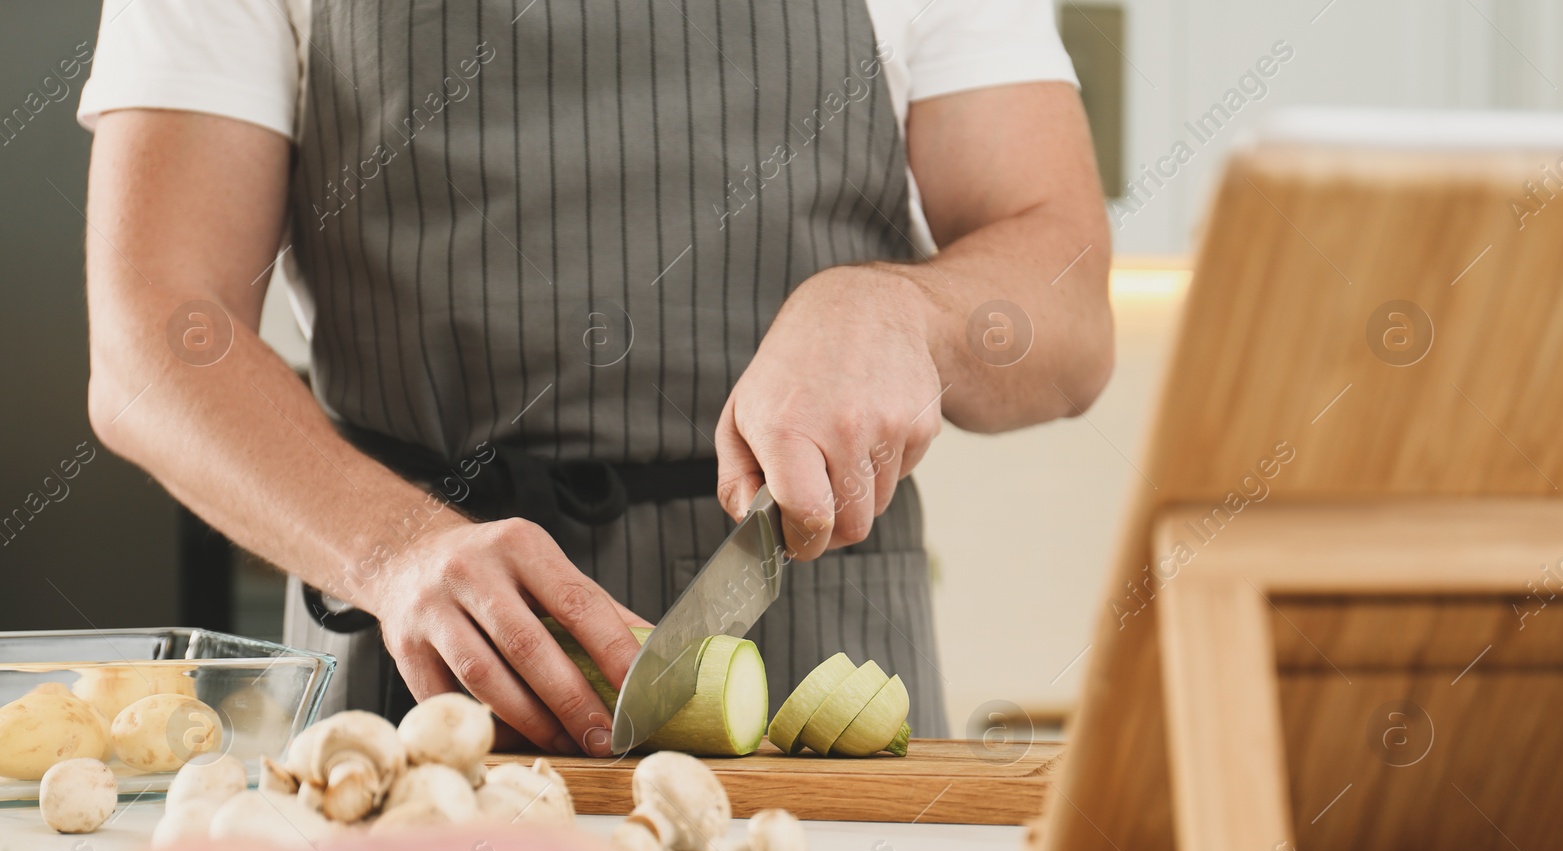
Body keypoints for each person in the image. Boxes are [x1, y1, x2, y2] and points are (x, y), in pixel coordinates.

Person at [79, 0, 1112, 756]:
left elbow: (1069, 314)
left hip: (812, 674)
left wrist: (910, 315)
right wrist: (394, 550)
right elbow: (154, 339)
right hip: (425, 695)